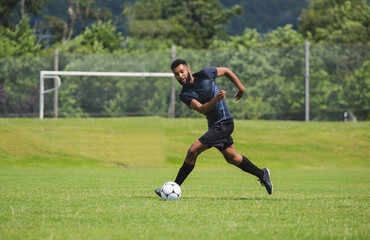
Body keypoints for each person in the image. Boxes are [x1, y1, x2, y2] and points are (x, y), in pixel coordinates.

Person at [155, 59, 273, 196]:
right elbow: (201, 109)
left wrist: (241, 88)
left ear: (188, 70)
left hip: (224, 123)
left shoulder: (206, 73)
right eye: (176, 74)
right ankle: (262, 173)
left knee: (192, 151)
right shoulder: (185, 94)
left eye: (182, 72)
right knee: (232, 157)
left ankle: (173, 188)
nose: (180, 76)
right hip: (215, 125)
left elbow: (227, 71)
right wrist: (215, 100)